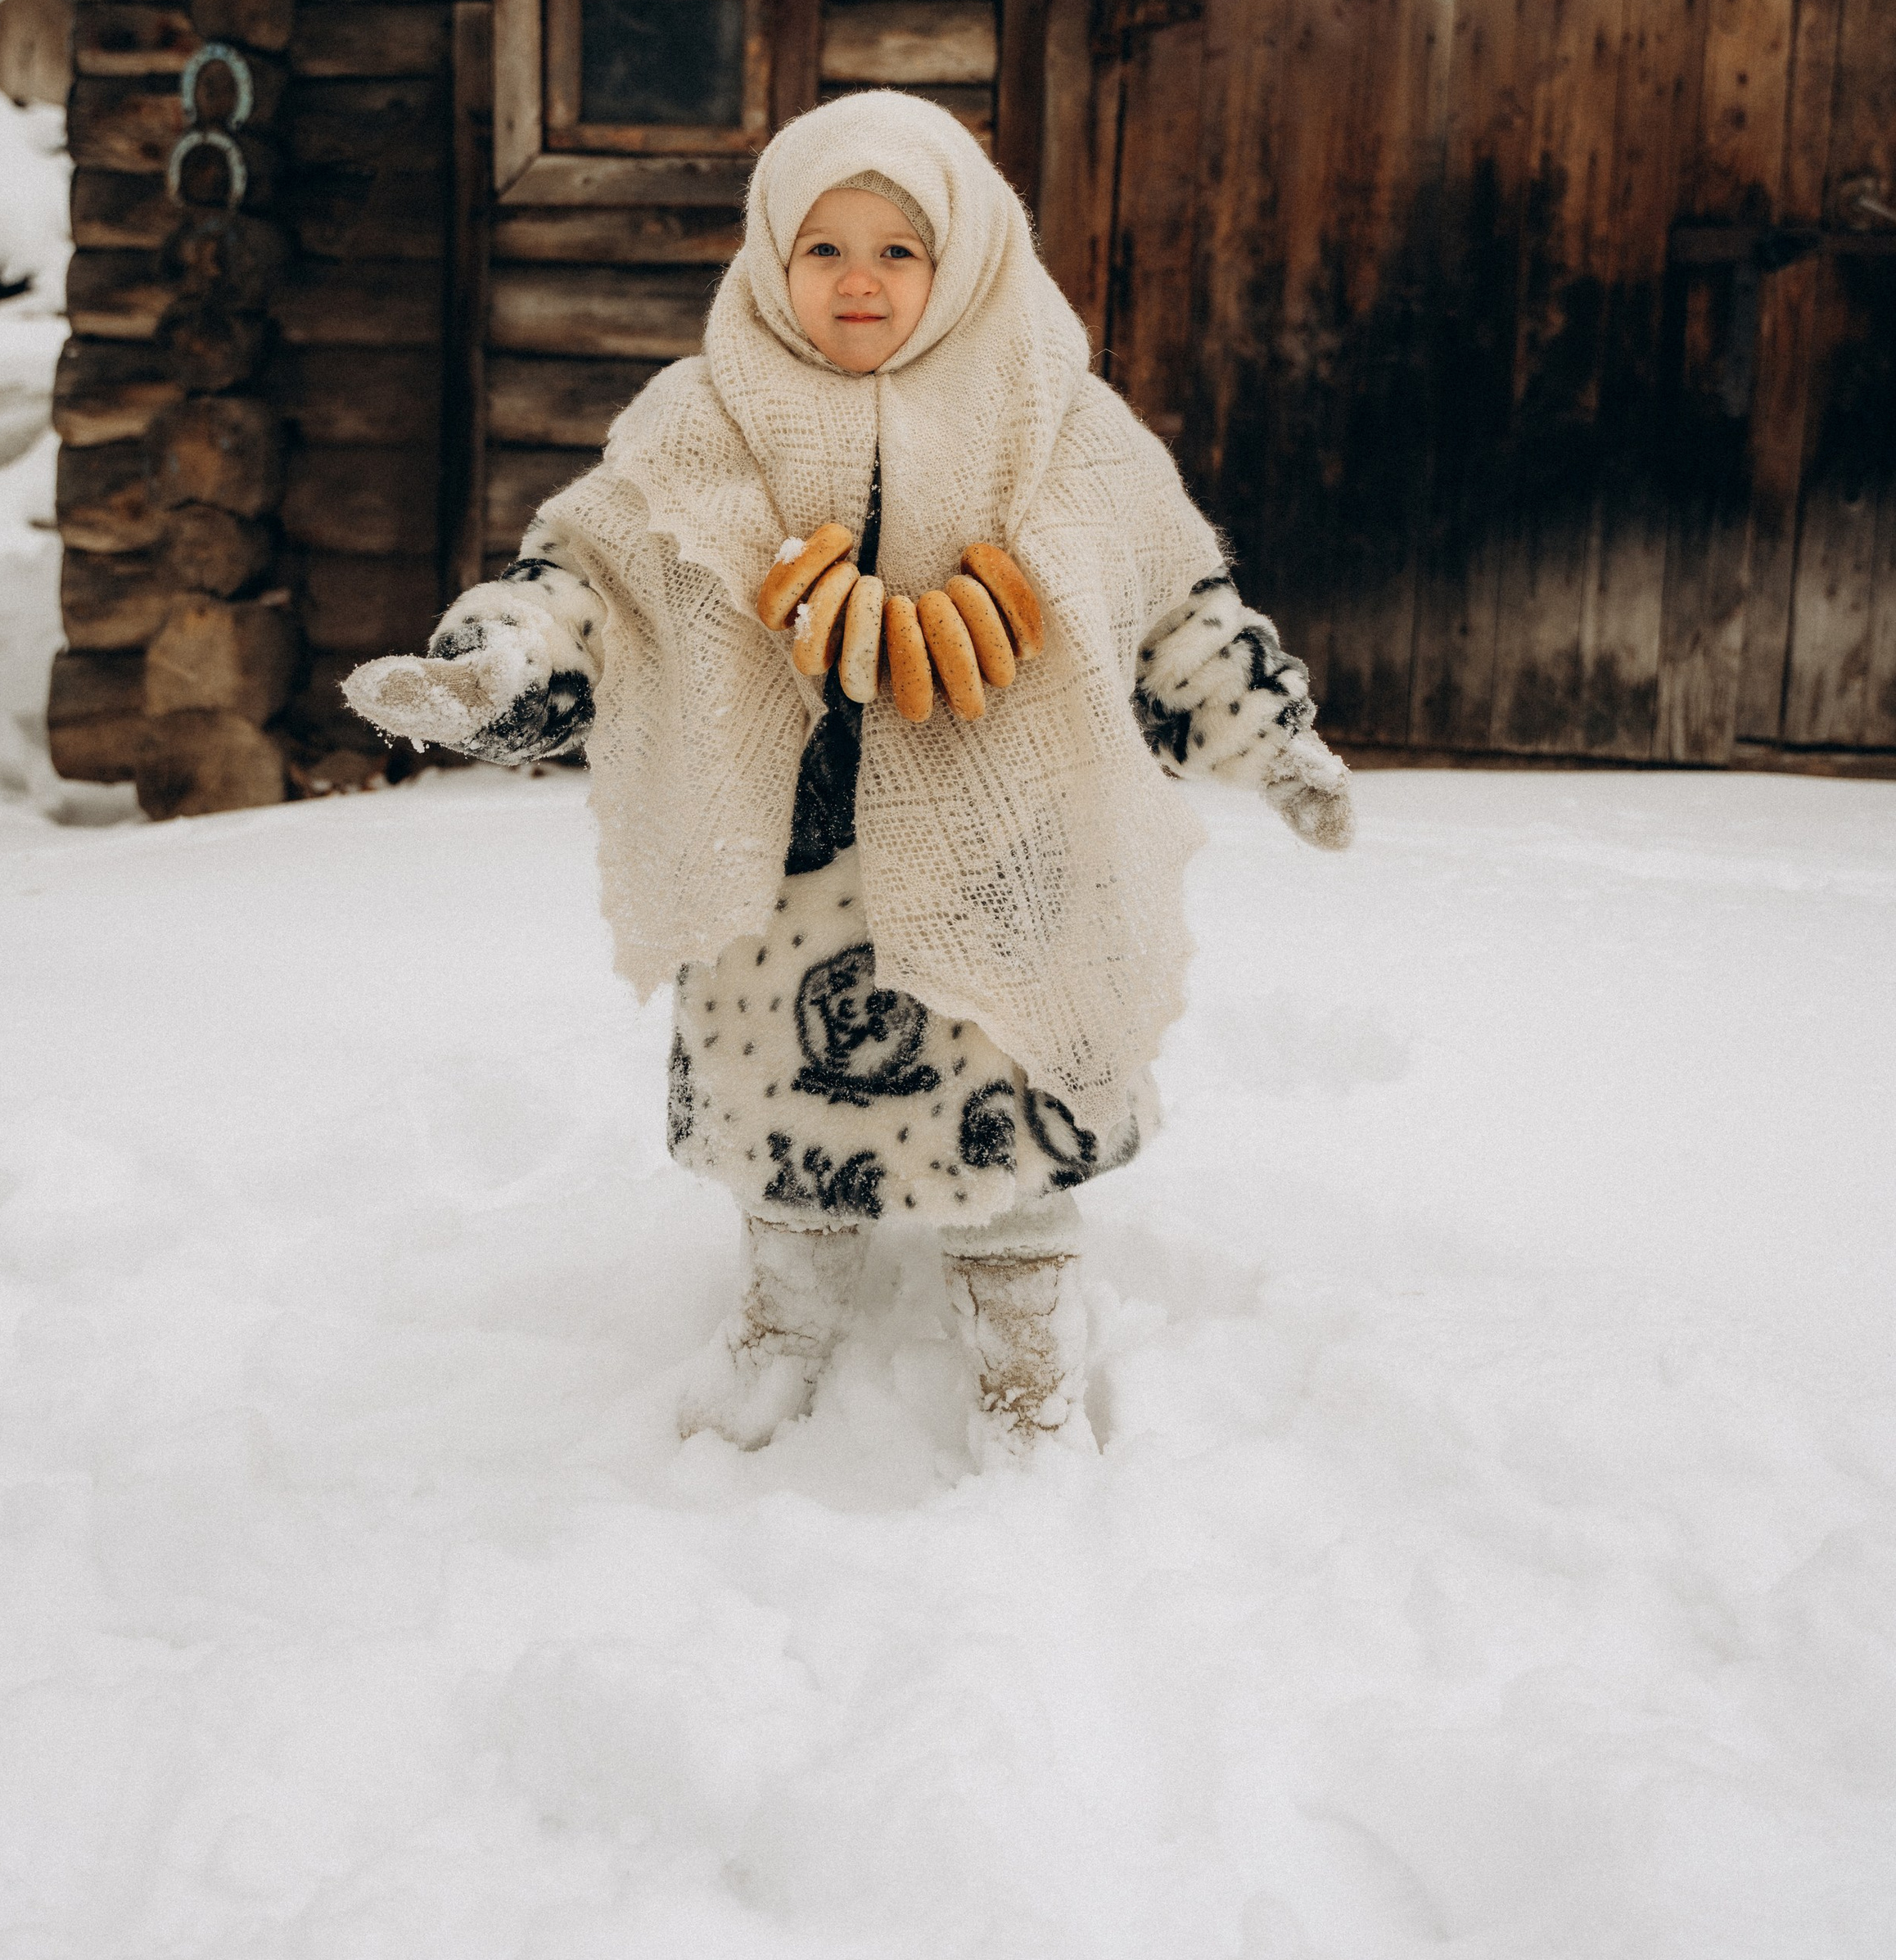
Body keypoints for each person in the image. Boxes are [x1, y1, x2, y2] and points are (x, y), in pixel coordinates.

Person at [345, 93, 1352, 1462]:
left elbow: (1169, 607)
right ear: (771, 256)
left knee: (1009, 1151)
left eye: (899, 249)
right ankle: (781, 1328)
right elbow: (591, 585)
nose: (860, 280)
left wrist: (1269, 733)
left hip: (1010, 862)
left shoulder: (1061, 420)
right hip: (789, 863)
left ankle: (1021, 1371)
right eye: (824, 249)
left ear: (967, 258)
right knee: (787, 1132)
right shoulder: (700, 419)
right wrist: (490, 674)